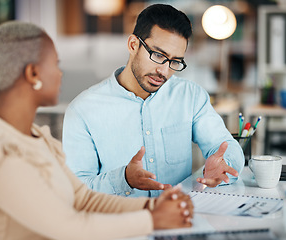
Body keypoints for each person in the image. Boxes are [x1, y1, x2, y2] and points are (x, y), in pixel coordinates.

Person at [0, 21, 194, 240]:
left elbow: (83, 198)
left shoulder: (37, 138)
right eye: (55, 64)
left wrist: (153, 206)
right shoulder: (2, 156)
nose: (60, 73)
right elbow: (69, 228)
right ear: (33, 74)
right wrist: (152, 220)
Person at [62, 3, 245, 198]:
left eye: (175, 61)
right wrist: (123, 179)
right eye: (158, 55)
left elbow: (224, 145)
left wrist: (224, 165)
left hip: (180, 219)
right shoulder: (83, 110)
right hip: (121, 223)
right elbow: (77, 190)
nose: (164, 71)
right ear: (133, 45)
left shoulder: (190, 96)